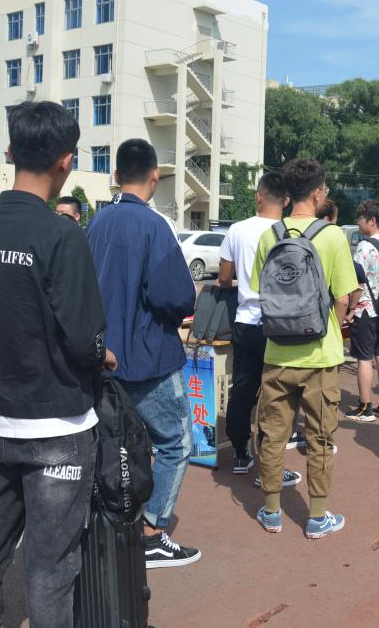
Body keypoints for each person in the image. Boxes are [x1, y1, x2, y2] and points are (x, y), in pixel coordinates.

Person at [0, 100, 116, 628]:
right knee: (51, 566)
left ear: (9, 152)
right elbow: (85, 336)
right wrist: (103, 354)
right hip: (58, 426)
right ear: (66, 161)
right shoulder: (61, 234)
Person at [87, 139, 201, 568]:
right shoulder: (154, 225)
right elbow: (177, 297)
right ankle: (153, 531)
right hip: (147, 357)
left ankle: (113, 524)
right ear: (155, 174)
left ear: (117, 175)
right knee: (176, 442)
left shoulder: (96, 223)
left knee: (114, 444)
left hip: (100, 355)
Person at [251, 158, 357, 539]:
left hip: (277, 353)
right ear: (316, 193)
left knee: (273, 435)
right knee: (320, 437)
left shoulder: (270, 235)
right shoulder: (332, 236)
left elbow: (260, 291)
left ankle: (272, 511)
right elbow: (343, 298)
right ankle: (317, 517)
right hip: (320, 356)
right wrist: (333, 326)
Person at [216, 172, 292, 475]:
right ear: (286, 201)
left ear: (259, 196)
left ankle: (239, 453)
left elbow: (224, 278)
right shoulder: (288, 231)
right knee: (277, 394)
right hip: (281, 325)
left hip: (246, 320)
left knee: (243, 389)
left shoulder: (237, 230)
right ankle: (269, 466)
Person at [344, 199, 379, 422]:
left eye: (361, 219)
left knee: (364, 359)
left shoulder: (365, 247)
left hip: (365, 309)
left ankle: (365, 407)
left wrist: (350, 309)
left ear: (372, 220)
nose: (358, 223)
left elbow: (357, 284)